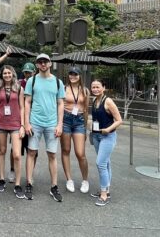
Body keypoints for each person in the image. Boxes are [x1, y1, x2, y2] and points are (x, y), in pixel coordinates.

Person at [24, 53, 65, 202]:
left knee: (52, 154)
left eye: (45, 61)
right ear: (37, 65)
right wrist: (26, 122)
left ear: (50, 63)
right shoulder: (32, 80)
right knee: (31, 152)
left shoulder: (58, 82)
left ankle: (54, 186)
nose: (42, 64)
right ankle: (29, 182)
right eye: (40, 62)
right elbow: (27, 102)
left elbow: (61, 104)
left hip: (52, 123)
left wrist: (60, 124)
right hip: (35, 121)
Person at [0, 65, 25, 199]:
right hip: (1, 123)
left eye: (9, 73)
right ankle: (1, 179)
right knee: (2, 151)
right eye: (5, 73)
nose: (7, 75)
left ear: (13, 74)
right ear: (2, 75)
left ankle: (17, 183)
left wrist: (22, 125)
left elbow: (22, 107)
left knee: (16, 154)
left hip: (16, 124)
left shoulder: (19, 88)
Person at [90, 78, 122, 206]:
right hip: (97, 136)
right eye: (93, 87)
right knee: (106, 163)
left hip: (108, 137)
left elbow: (119, 120)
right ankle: (106, 190)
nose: (95, 89)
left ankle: (103, 194)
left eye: (98, 87)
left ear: (104, 88)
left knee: (100, 163)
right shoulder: (94, 100)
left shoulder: (108, 101)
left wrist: (107, 129)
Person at [60, 66, 90, 194]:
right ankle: (69, 179)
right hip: (65, 120)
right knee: (66, 150)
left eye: (75, 74)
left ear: (79, 76)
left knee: (80, 153)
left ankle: (85, 180)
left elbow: (86, 109)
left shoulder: (85, 91)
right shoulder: (63, 88)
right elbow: (59, 106)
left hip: (79, 121)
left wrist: (86, 128)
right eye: (71, 74)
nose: (73, 76)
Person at [8, 62, 36, 184]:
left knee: (33, 149)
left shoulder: (37, 82)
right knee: (14, 148)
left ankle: (30, 173)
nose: (28, 74)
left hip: (33, 119)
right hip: (18, 119)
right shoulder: (18, 84)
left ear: (34, 72)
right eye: (26, 72)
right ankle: (12, 170)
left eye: (30, 72)